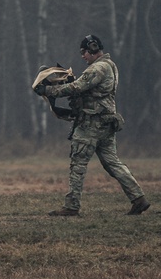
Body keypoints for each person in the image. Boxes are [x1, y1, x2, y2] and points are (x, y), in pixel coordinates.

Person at [35, 35, 150, 217]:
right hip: (106, 123)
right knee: (113, 164)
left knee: (78, 164)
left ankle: (71, 206)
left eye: (84, 52)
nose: (83, 56)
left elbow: (77, 87)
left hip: (91, 125)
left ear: (93, 48)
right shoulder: (110, 65)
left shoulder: (98, 68)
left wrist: (49, 90)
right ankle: (138, 198)